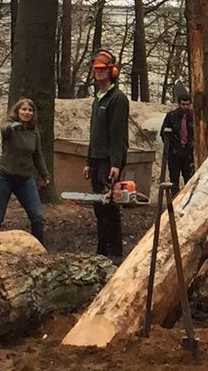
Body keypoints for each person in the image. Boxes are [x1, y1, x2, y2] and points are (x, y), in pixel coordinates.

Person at [83, 49, 130, 261]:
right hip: (97, 159)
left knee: (109, 206)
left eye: (102, 70)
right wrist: (88, 161)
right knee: (98, 207)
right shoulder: (98, 99)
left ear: (112, 71)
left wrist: (116, 163)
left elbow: (117, 133)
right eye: (96, 70)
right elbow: (95, 134)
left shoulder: (117, 99)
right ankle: (101, 249)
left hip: (110, 160)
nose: (98, 73)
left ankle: (114, 251)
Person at [0, 98, 49, 246]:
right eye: (24, 109)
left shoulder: (34, 132)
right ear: (17, 111)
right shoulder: (8, 126)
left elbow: (37, 156)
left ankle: (40, 249)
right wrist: (13, 126)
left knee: (37, 217)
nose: (27, 113)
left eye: (30, 110)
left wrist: (45, 175)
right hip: (3, 176)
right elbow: (4, 129)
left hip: (25, 179)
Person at [160, 95, 195, 188]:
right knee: (174, 179)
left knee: (189, 178)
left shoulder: (193, 117)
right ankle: (174, 200)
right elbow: (163, 133)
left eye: (187, 104)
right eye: (183, 104)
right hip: (174, 152)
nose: (185, 107)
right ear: (179, 104)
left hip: (188, 152)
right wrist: (171, 147)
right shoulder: (171, 116)